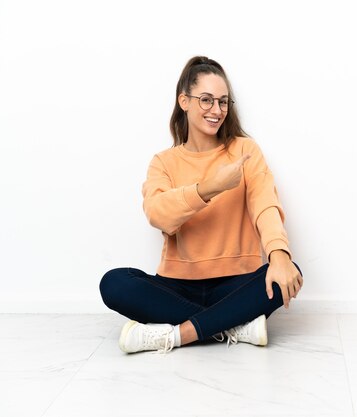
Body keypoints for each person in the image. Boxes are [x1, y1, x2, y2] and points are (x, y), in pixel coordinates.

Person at [99, 56, 303, 354]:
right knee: (114, 283)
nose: (216, 110)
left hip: (236, 281)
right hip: (177, 285)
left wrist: (279, 253)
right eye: (206, 100)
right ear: (184, 101)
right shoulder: (164, 162)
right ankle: (233, 324)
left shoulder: (244, 150)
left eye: (223, 102)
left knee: (289, 270)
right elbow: (158, 214)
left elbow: (265, 204)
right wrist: (211, 187)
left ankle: (176, 335)